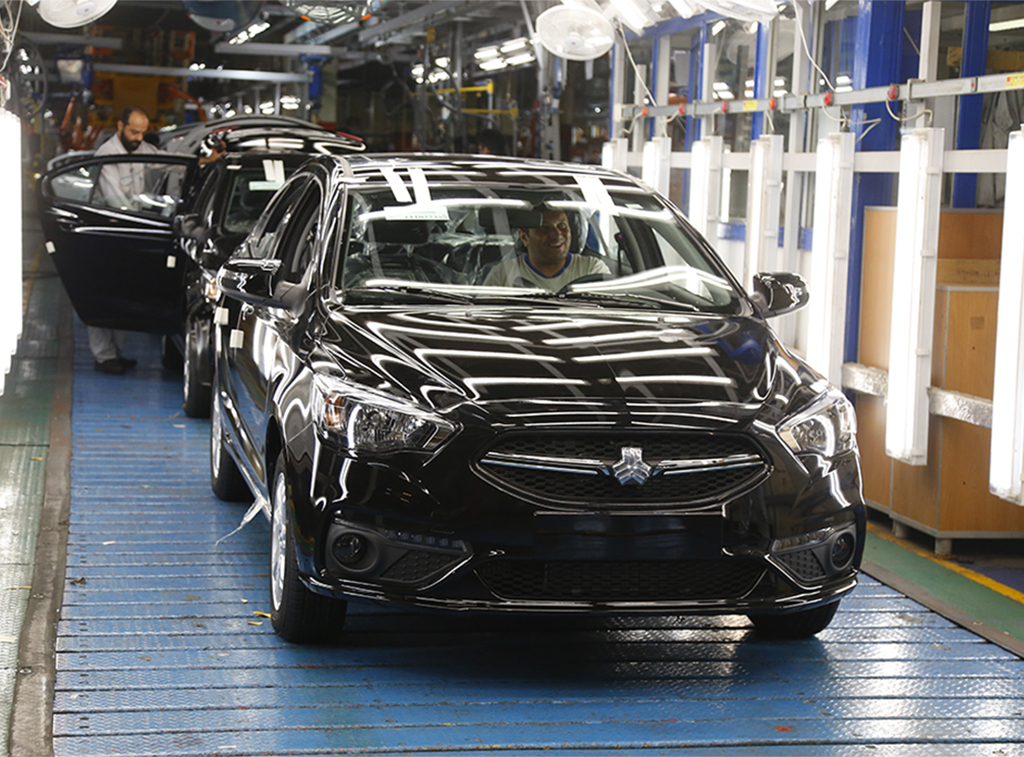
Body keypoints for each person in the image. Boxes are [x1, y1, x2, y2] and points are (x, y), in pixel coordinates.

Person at [89, 105, 223, 374]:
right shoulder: (107, 155)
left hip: (130, 229)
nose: (138, 137)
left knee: (121, 293)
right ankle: (104, 356)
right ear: (120, 126)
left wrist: (203, 161)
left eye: (142, 132)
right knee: (105, 293)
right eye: (133, 132)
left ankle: (116, 353)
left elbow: (166, 160)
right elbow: (117, 202)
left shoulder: (141, 148)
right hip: (109, 232)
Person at [483, 207, 610, 291]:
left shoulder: (592, 269)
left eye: (562, 225)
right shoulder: (502, 274)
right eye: (544, 228)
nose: (556, 234)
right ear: (524, 237)